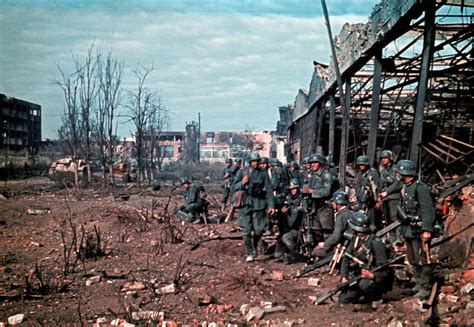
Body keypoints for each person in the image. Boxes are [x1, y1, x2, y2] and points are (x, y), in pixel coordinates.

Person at [394, 159, 436, 300]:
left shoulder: (420, 188)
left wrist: (427, 230)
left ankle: (425, 287)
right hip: (409, 229)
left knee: (424, 259)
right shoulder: (406, 186)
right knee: (412, 258)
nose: (398, 174)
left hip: (419, 230)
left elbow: (428, 210)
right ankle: (418, 283)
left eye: (399, 171)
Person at [339, 211, 394, 308]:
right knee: (344, 299)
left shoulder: (376, 243)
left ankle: (376, 297)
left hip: (375, 278)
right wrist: (344, 276)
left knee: (365, 284)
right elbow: (346, 257)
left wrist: (373, 276)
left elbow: (385, 269)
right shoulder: (355, 239)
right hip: (359, 274)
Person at [232, 152, 275, 262]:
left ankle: (254, 246)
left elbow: (269, 190)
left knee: (258, 230)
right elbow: (234, 187)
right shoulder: (242, 172)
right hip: (245, 204)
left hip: (259, 204)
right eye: (254, 161)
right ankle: (250, 252)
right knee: (246, 231)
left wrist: (271, 205)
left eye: (257, 161)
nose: (256, 163)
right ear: (250, 162)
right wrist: (242, 183)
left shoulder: (263, 174)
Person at [303, 153, 335, 242]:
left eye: (315, 162)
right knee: (315, 230)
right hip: (314, 206)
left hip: (324, 206)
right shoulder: (313, 175)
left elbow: (326, 192)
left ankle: (328, 252)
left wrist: (311, 191)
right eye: (311, 163)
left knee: (327, 231)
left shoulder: (327, 175)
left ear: (320, 163)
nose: (312, 165)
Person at [312, 191, 352, 258]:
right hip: (347, 243)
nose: (332, 203)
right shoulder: (348, 212)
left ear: (338, 204)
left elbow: (336, 235)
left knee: (316, 251)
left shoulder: (341, 216)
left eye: (334, 202)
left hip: (345, 247)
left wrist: (324, 245)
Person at [274, 179, 304, 259]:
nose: (293, 191)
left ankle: (296, 252)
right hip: (287, 229)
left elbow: (294, 217)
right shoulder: (288, 198)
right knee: (277, 254)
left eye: (294, 189)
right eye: (291, 189)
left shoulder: (302, 200)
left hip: (297, 229)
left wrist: (290, 209)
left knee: (286, 237)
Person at [377, 150, 403, 244]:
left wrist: (387, 192)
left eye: (385, 158)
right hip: (386, 197)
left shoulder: (395, 169)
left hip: (394, 197)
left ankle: (398, 237)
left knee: (395, 217)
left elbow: (398, 183)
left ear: (390, 159)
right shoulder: (384, 170)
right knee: (386, 218)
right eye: (382, 158)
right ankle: (390, 237)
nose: (383, 160)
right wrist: (380, 195)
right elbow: (382, 184)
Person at [354, 155, 381, 231]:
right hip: (361, 199)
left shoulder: (373, 173)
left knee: (371, 221)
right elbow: (358, 186)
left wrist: (378, 200)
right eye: (359, 165)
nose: (361, 166)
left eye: (362, 164)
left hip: (370, 201)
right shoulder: (360, 173)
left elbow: (377, 188)